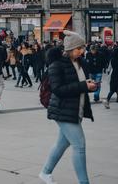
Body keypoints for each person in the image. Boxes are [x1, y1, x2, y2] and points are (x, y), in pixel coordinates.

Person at [40, 30, 96, 184]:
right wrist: (83, 86)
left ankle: (45, 172)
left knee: (61, 144)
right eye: (79, 48)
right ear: (70, 49)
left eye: (83, 48)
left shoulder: (80, 63)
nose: (82, 51)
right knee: (80, 145)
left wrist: (91, 85)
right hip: (62, 110)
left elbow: (81, 84)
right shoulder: (57, 65)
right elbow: (58, 90)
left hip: (75, 110)